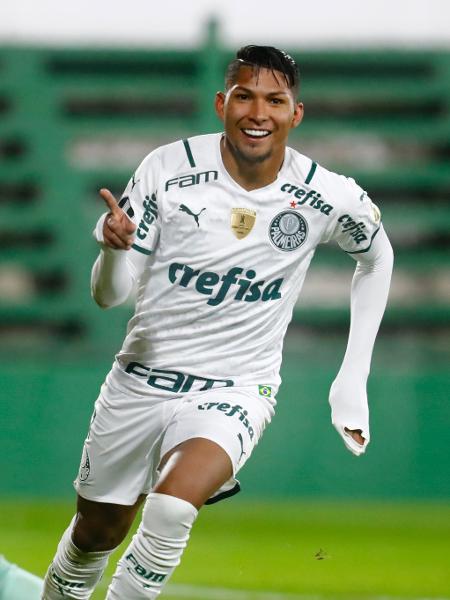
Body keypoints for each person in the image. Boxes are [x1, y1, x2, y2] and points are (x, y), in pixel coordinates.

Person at [41, 45, 393, 599]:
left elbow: (377, 257)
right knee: (95, 536)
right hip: (139, 382)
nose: (259, 112)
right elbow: (109, 297)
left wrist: (352, 378)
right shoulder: (167, 167)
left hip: (236, 388)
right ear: (220, 104)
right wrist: (113, 251)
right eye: (244, 96)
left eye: (276, 100)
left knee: (170, 508)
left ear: (295, 113)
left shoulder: (326, 195)